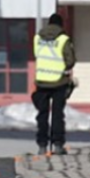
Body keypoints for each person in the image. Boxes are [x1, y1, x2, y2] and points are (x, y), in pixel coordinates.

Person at [32, 12, 77, 156]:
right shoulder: (63, 39)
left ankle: (42, 145)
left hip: (42, 81)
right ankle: (57, 145)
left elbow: (37, 54)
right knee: (57, 114)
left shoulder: (38, 38)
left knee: (42, 114)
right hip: (59, 81)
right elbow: (70, 60)